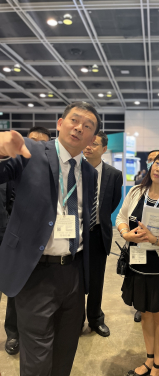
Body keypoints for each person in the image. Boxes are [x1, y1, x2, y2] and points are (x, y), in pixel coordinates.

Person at [0, 101, 100, 376]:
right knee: (37, 359)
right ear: (60, 123)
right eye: (74, 120)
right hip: (36, 271)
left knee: (66, 351)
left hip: (73, 273)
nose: (79, 128)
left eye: (88, 126)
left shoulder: (89, 173)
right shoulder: (31, 151)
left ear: (92, 138)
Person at [116, 150, 159, 376]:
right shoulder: (137, 191)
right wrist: (126, 234)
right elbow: (120, 217)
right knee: (145, 314)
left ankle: (158, 366)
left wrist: (154, 239)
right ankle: (149, 359)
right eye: (158, 163)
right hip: (137, 266)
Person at [4, 125, 52, 356]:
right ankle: (13, 333)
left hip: (41, 240)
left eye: (42, 143)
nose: (35, 147)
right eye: (31, 141)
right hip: (16, 236)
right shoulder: (16, 164)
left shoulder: (47, 169)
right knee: (15, 288)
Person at [83, 130, 123, 337]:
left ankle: (95, 319)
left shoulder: (114, 175)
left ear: (104, 149)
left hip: (99, 233)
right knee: (75, 280)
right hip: (75, 234)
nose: (88, 146)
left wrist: (98, 217)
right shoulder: (74, 170)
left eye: (94, 144)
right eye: (87, 143)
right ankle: (74, 319)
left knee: (97, 279)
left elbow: (113, 202)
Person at [134, 149, 159, 323]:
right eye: (151, 160)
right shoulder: (139, 185)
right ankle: (140, 307)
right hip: (138, 243)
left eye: (157, 161)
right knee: (140, 278)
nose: (153, 164)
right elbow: (124, 215)